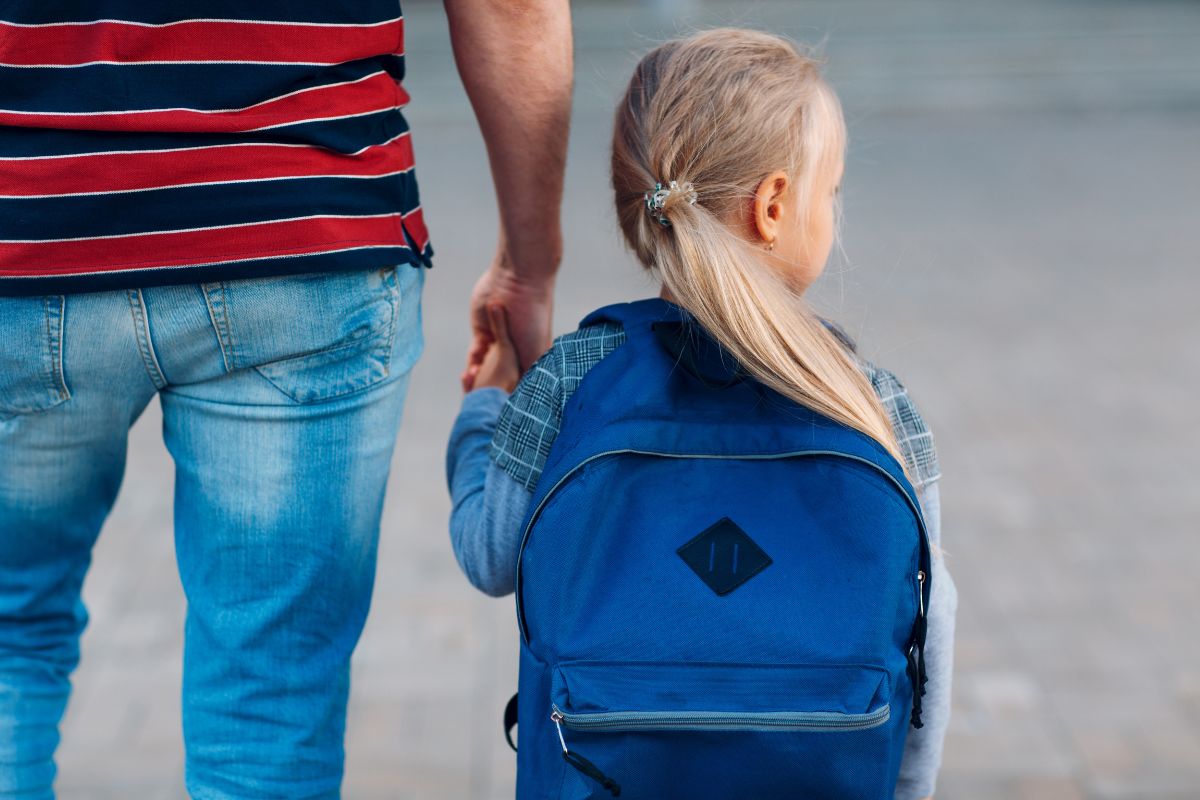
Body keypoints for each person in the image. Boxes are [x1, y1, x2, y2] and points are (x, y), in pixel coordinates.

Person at [0, 0, 571, 797]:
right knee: (268, 699)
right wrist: (529, 259)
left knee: (8, 643)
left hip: (28, 222)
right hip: (300, 222)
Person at [447, 29, 956, 799]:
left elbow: (490, 553)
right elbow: (932, 627)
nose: (835, 209)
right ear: (774, 204)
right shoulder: (867, 397)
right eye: (834, 189)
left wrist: (485, 407)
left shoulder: (573, 377)